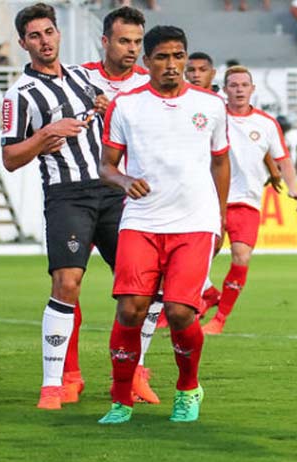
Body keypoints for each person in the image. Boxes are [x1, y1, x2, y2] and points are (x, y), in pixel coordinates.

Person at [97, 25, 230, 424]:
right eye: (161, 57)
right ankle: (121, 400)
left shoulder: (211, 105)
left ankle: (188, 389)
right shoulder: (126, 106)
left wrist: (220, 217)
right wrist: (122, 180)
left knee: (179, 312)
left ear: (186, 58)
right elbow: (106, 165)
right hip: (141, 220)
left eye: (178, 56)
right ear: (146, 61)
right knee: (130, 310)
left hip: (195, 222)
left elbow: (221, 162)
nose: (171, 65)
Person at [0, 3, 121, 410]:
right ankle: (54, 383)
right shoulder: (19, 95)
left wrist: (108, 108)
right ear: (23, 43)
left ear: (58, 34)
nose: (44, 41)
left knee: (140, 285)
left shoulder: (85, 77)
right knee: (67, 284)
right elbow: (11, 158)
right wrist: (45, 135)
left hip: (110, 189)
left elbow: (111, 113)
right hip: (68, 195)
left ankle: (130, 376)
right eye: (35, 36)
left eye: (49, 32)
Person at [81, 4, 163, 406]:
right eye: (123, 41)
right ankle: (67, 374)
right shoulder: (79, 79)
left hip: (130, 197)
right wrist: (83, 109)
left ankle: (137, 372)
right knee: (67, 283)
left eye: (136, 42)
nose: (131, 49)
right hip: (79, 191)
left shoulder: (149, 84)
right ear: (105, 41)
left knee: (146, 290)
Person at [202, 65, 297, 335]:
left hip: (247, 200)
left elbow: (284, 160)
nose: (239, 89)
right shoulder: (215, 115)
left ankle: (219, 320)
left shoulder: (267, 124)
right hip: (211, 198)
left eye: (243, 85)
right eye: (233, 85)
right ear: (225, 90)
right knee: (200, 256)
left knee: (242, 256)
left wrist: (293, 188)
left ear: (252, 89)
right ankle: (204, 294)